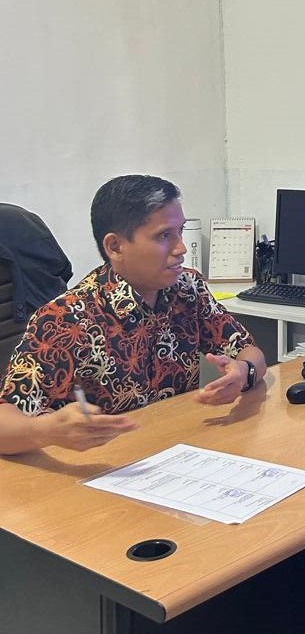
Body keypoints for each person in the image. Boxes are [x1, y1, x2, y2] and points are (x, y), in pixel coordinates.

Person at [0, 175, 267, 455]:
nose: (181, 248)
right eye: (164, 236)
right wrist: (47, 431)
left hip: (174, 451)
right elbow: (5, 419)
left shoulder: (188, 289)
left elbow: (250, 352)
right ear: (115, 247)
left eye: (180, 231)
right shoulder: (66, 319)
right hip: (97, 465)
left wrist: (243, 372)